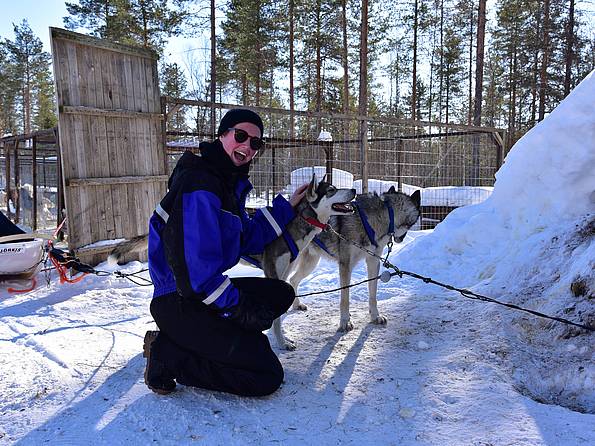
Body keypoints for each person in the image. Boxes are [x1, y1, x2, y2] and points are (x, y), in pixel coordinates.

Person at [144, 109, 308, 397]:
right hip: (180, 299)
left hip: (199, 295)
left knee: (280, 294)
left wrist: (288, 207)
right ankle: (168, 355)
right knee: (265, 376)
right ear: (222, 135)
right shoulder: (200, 184)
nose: (247, 146)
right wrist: (239, 310)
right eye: (241, 136)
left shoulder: (225, 185)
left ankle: (218, 342)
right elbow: (197, 275)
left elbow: (248, 238)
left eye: (255, 143)